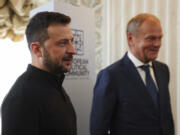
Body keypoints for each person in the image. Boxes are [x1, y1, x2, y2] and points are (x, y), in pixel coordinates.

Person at [90, 13, 174, 135]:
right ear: (131, 39)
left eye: (159, 38)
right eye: (150, 38)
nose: (157, 44)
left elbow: (166, 119)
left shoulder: (163, 70)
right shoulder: (110, 76)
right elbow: (98, 128)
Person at [1, 11, 77, 135]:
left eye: (71, 41)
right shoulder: (21, 98)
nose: (72, 50)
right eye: (63, 43)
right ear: (37, 50)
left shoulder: (56, 85)